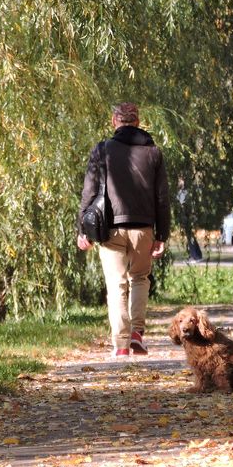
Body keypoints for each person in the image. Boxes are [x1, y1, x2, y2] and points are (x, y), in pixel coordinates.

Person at [77, 102, 170, 356]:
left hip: (110, 228)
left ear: (114, 121)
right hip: (143, 229)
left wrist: (82, 229)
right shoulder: (153, 152)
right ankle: (137, 334)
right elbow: (162, 197)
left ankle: (120, 345)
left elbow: (89, 192)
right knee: (139, 278)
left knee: (116, 284)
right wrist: (162, 234)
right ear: (138, 121)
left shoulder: (102, 150)